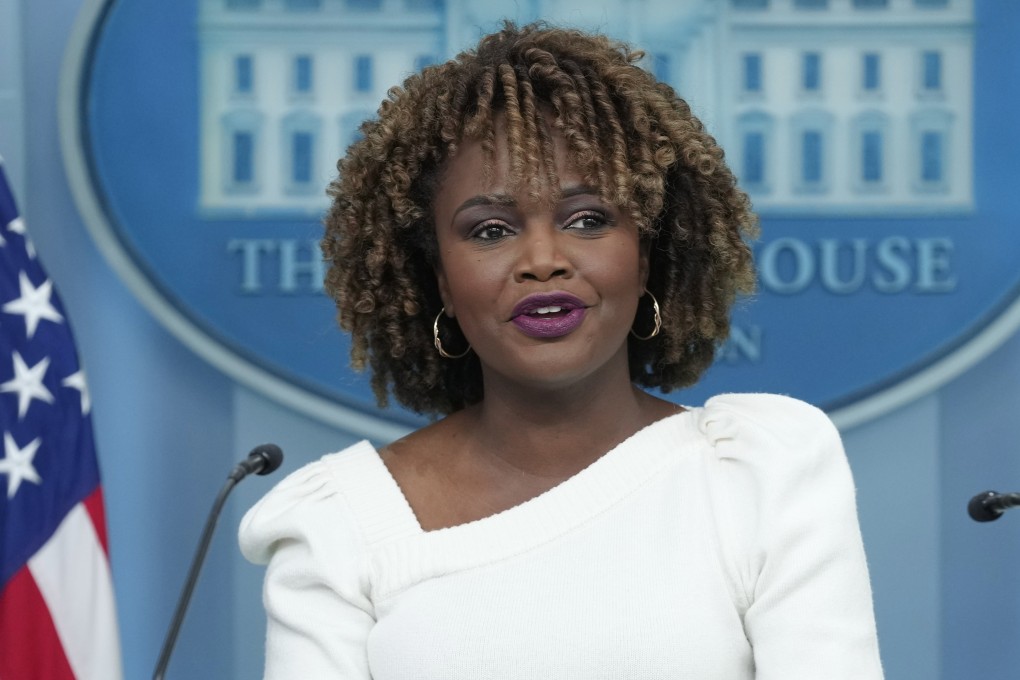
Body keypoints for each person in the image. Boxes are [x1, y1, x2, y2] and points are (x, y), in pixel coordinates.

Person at [239, 21, 883, 679]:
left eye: (588, 220)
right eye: (490, 230)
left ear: (647, 253)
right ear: (439, 281)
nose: (543, 261)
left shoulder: (760, 473)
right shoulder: (342, 523)